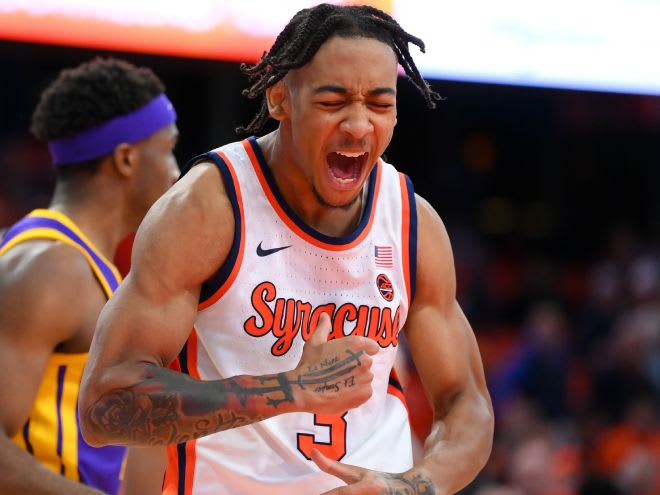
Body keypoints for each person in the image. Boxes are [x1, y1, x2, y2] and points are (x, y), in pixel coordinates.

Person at [79, 4, 494, 494]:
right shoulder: (209, 208)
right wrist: (289, 391)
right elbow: (105, 408)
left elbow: (467, 403)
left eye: (379, 104)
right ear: (279, 99)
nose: (359, 126)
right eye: (333, 101)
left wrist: (410, 485)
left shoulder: (412, 222)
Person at [0, 57, 180, 494]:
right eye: (169, 148)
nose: (178, 172)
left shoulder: (85, 265)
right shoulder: (52, 267)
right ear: (125, 159)